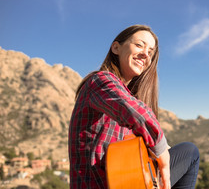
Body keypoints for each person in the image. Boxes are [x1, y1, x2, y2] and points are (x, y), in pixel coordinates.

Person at [68, 25, 200, 189]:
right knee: (190, 151)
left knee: (188, 151)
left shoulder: (125, 100)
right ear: (116, 48)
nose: (145, 54)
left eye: (150, 52)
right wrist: (163, 154)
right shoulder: (100, 81)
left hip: (126, 183)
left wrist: (158, 152)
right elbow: (137, 113)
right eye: (139, 45)